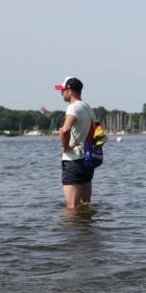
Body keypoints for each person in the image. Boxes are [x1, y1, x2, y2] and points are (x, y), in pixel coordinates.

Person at [55, 76, 97, 209]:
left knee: (72, 207)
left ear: (71, 91)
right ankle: (86, 229)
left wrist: (66, 147)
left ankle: (71, 230)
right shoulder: (88, 108)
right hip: (88, 160)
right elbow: (99, 133)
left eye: (63, 90)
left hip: (73, 160)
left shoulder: (73, 108)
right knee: (85, 205)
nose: (61, 93)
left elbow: (65, 130)